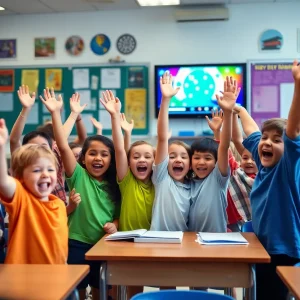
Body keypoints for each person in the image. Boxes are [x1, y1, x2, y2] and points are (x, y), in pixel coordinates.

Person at [40, 88, 121, 300]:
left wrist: (116, 224)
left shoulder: (117, 184)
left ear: (112, 161)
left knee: (101, 289)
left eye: (104, 155)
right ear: (82, 159)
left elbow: (119, 214)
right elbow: (63, 146)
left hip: (104, 244)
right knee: (76, 290)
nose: (98, 158)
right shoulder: (78, 176)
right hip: (77, 242)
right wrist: (58, 113)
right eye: (92, 153)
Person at [236, 60, 300, 300]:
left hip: (286, 251)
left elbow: (292, 132)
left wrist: (298, 84)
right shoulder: (263, 162)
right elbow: (252, 132)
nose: (266, 143)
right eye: (266, 138)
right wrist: (238, 109)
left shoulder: (287, 166)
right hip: (261, 249)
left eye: (276, 139)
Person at [0, 119, 68, 264]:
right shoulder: (21, 197)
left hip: (55, 278)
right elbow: (3, 181)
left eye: (50, 169)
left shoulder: (59, 204)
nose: (45, 174)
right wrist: (1, 147)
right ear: (20, 177)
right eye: (37, 170)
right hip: (24, 279)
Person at [188, 76, 238, 233]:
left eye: (208, 158)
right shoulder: (187, 182)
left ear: (216, 163)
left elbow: (223, 147)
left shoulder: (218, 179)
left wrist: (228, 112)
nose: (201, 162)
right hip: (192, 242)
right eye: (196, 157)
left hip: (218, 242)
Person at [150, 71, 191, 232]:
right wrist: (165, 100)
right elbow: (161, 138)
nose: (178, 160)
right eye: (172, 156)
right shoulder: (161, 179)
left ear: (191, 164)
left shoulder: (192, 187)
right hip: (157, 242)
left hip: (183, 242)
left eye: (183, 156)